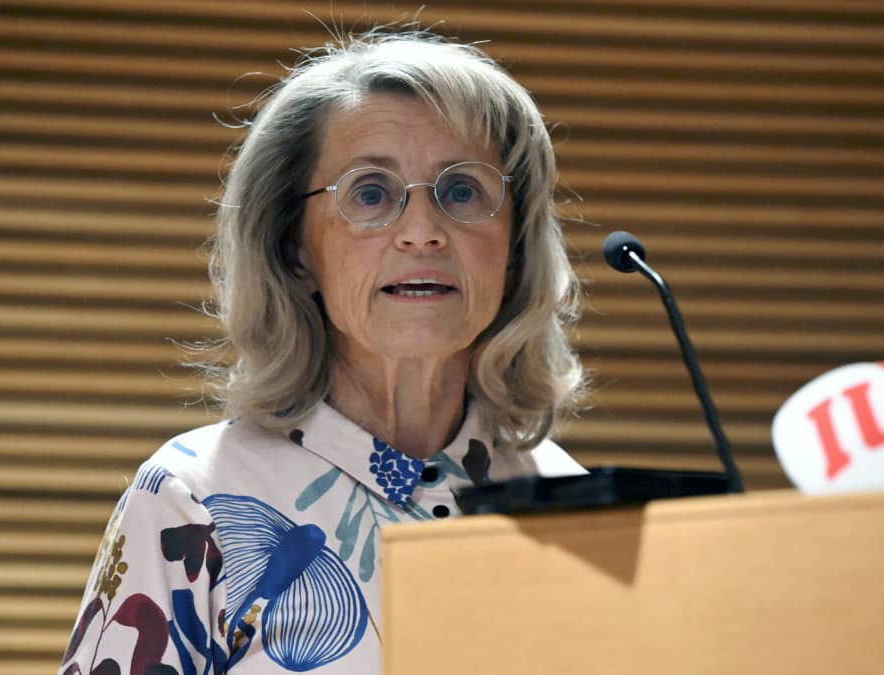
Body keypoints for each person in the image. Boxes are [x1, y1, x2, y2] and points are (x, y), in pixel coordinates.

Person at [61, 29, 586, 675]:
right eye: (370, 193)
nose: (422, 232)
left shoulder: (570, 501)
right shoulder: (193, 498)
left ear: (515, 247)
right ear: (294, 249)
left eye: (461, 192)